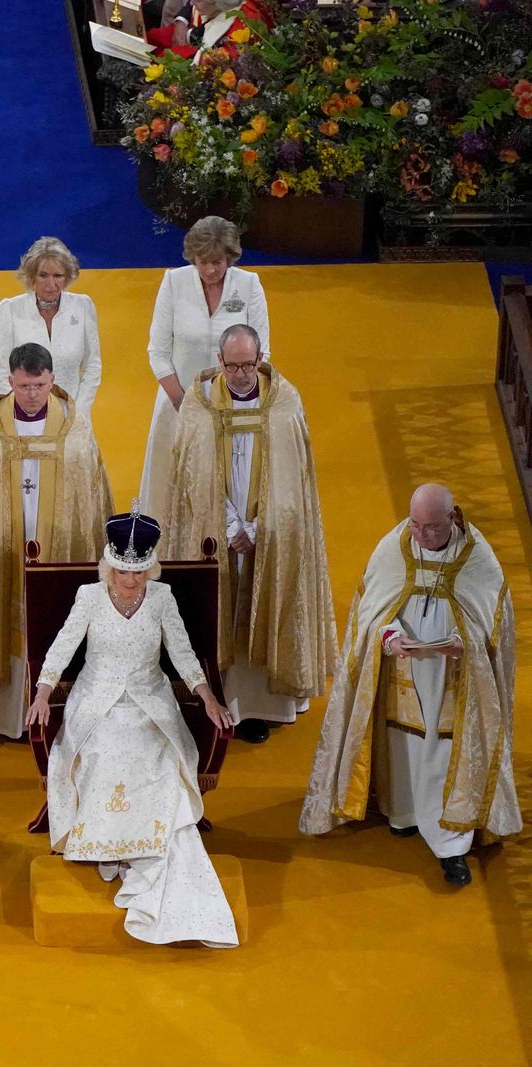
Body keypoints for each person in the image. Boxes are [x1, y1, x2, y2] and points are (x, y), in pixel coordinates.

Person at [26, 509, 237, 947]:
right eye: (123, 570)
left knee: (157, 763)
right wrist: (43, 693)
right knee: (102, 759)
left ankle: (147, 849)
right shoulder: (88, 596)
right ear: (109, 566)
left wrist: (207, 695)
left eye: (139, 572)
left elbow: (181, 651)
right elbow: (62, 646)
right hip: (97, 703)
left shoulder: (162, 597)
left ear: (150, 569)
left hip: (150, 704)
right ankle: (115, 849)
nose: (131, 581)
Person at [301, 484, 521, 887]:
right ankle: (402, 813)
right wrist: (388, 636)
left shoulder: (478, 560)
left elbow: (493, 623)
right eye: (416, 524)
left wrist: (464, 643)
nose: (421, 535)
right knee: (402, 743)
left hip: (453, 678)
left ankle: (450, 845)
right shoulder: (396, 545)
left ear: (452, 517)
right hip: (400, 672)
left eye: (431, 527)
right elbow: (369, 610)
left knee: (443, 751)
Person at [163, 325, 335, 744]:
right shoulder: (199, 405)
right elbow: (191, 476)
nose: (241, 373)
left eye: (249, 363)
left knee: (265, 599)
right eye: (232, 364)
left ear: (261, 358)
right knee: (218, 607)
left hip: (269, 531)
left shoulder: (284, 403)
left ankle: (258, 706)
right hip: (217, 528)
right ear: (219, 361)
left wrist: (258, 528)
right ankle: (215, 698)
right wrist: (229, 526)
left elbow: (294, 481)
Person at [0, 344, 113, 738]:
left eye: (41, 385)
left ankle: (61, 702)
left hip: (58, 547)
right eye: (25, 385)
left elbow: (91, 497)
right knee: (1, 608)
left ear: (53, 381)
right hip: (2, 548)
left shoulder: (73, 428)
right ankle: (1, 711)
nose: (32, 394)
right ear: (10, 381)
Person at [139, 215, 269, 503]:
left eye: (217, 262)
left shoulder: (249, 285)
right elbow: (158, 352)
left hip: (235, 407)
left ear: (230, 258)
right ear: (192, 257)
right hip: (178, 406)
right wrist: (182, 403)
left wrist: (235, 398)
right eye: (202, 261)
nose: (210, 269)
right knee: (170, 493)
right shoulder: (173, 282)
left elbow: (262, 352)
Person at [0, 237, 103, 413]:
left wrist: (78, 411)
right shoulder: (9, 310)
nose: (51, 284)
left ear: (67, 276)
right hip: (24, 419)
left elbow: (93, 366)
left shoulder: (83, 306)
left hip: (74, 419)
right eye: (43, 275)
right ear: (31, 275)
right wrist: (26, 413)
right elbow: (1, 370)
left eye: (58, 275)